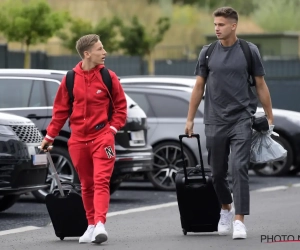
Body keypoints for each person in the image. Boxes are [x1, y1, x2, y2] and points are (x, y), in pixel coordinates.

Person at [185, 7, 273, 239]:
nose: (216, 28)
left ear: (233, 26)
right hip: (214, 120)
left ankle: (239, 220)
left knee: (239, 168)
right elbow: (198, 87)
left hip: (242, 119)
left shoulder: (248, 50)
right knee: (217, 173)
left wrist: (269, 116)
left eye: (221, 24)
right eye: (215, 24)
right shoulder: (207, 52)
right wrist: (190, 118)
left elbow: (260, 84)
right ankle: (226, 207)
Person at [40, 34, 127, 244]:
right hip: (78, 140)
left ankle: (100, 224)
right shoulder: (70, 78)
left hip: (102, 138)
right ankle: (89, 225)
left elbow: (121, 108)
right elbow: (60, 111)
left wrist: (111, 130)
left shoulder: (109, 77)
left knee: (101, 181)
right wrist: (50, 136)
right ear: (87, 54)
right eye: (100, 49)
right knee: (87, 184)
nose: (104, 52)